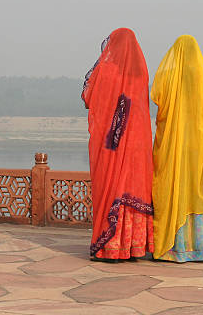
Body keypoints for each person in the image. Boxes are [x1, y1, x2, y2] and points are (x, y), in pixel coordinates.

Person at [151, 35, 203, 262]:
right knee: (199, 189)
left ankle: (172, 248)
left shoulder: (166, 77)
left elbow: (158, 107)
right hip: (200, 148)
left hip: (171, 147)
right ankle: (202, 247)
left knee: (173, 189)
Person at [82, 28, 154, 261]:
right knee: (131, 188)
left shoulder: (105, 70)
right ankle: (132, 248)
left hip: (110, 144)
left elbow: (88, 98)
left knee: (111, 188)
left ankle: (109, 247)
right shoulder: (140, 74)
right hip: (136, 145)